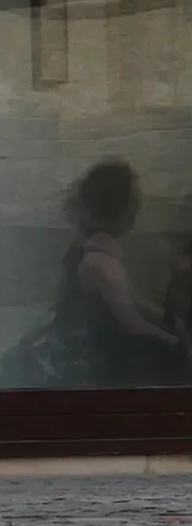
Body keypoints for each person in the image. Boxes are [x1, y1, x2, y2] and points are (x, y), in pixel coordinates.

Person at [37, 159, 185, 386]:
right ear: (124, 212)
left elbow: (131, 297)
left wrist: (167, 318)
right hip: (88, 357)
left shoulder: (94, 249)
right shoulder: (99, 260)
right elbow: (131, 321)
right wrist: (173, 340)